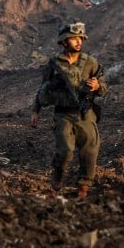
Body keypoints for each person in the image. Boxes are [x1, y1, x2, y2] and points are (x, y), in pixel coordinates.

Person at [29, 21, 106, 199]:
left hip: (86, 114)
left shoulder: (91, 63)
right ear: (64, 42)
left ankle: (84, 186)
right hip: (63, 114)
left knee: (90, 151)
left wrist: (97, 86)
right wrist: (36, 111)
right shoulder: (54, 65)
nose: (78, 42)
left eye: (80, 38)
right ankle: (58, 172)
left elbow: (103, 86)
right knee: (65, 150)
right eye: (73, 39)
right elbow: (43, 89)